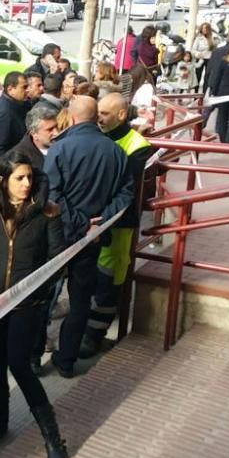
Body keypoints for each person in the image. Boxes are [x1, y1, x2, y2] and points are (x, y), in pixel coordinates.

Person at [0, 151, 69, 458]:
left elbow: (57, 261)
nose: (27, 183)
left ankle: (53, 439)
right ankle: (0, 422)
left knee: (19, 365)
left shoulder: (48, 214)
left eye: (30, 177)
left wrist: (37, 289)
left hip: (28, 306)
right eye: (19, 178)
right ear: (3, 181)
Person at [45, 97, 133, 378]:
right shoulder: (116, 152)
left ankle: (35, 357)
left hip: (60, 237)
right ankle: (67, 359)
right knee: (81, 299)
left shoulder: (60, 148)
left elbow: (51, 193)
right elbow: (126, 193)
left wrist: (80, 222)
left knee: (46, 295)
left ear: (70, 118)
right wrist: (101, 221)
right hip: (93, 239)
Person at [80, 93, 152, 357]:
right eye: (98, 112)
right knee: (91, 279)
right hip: (94, 223)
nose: (99, 118)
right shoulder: (99, 137)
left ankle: (95, 336)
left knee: (108, 282)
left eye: (105, 114)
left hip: (118, 225)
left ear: (122, 115)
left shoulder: (137, 145)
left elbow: (125, 188)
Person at [0, 72, 29, 179]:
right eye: (24, 87)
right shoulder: (4, 113)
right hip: (0, 173)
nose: (27, 90)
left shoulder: (13, 105)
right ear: (10, 89)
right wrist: (12, 170)